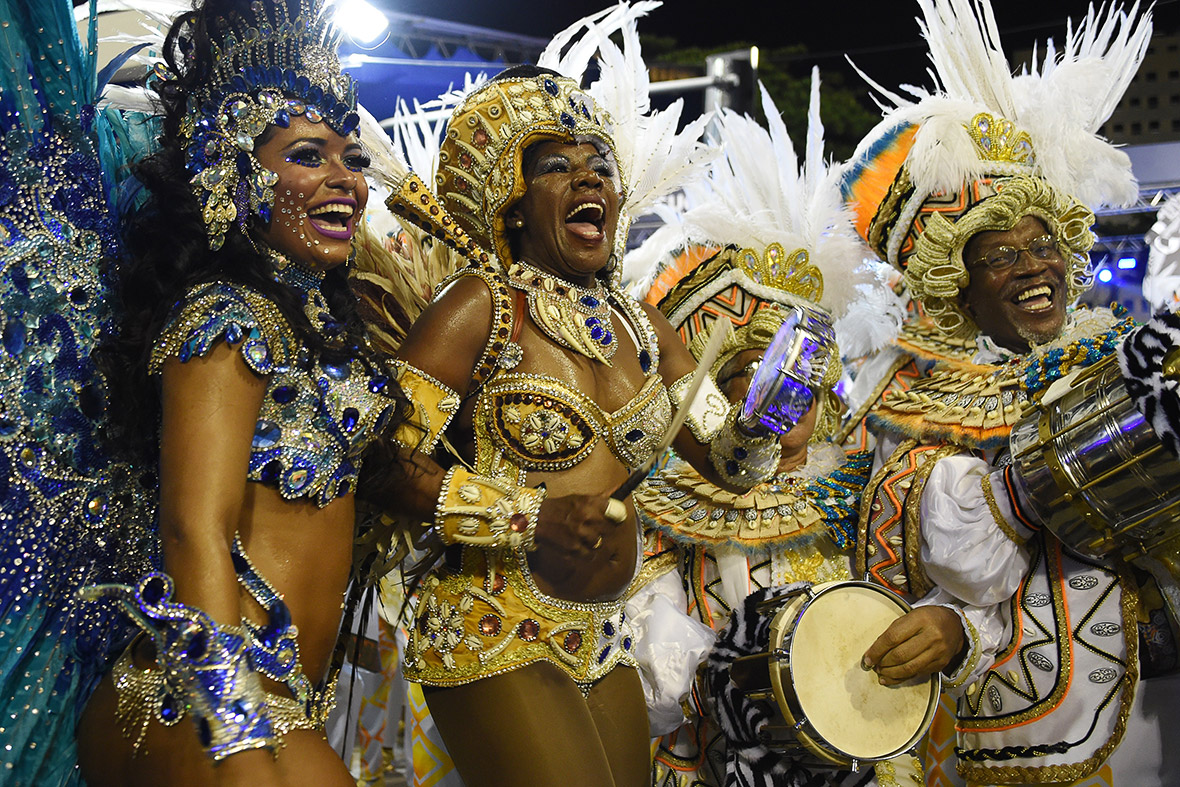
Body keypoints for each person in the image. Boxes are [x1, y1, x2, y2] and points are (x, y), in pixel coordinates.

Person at [357, 49, 792, 783]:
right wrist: (528, 516)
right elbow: (382, 463)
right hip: (491, 621)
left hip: (604, 632)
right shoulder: (480, 307)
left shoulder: (646, 328)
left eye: (599, 165)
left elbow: (730, 461)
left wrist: (769, 412)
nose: (590, 179)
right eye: (557, 166)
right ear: (513, 201)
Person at [67, 1, 409, 784]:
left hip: (282, 701)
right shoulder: (226, 318)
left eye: (353, 157)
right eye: (308, 155)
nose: (346, 180)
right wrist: (236, 732)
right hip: (198, 695)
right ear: (233, 169)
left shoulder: (321, 325)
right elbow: (194, 529)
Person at [840, 0, 1178, 782]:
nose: (1034, 266)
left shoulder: (1118, 357)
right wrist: (958, 623)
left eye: (1043, 243)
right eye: (1000, 255)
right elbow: (956, 571)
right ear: (956, 283)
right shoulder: (915, 406)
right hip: (1024, 733)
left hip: (1159, 712)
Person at [626, 74, 948, 787]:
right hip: (724, 755)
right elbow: (652, 647)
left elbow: (922, 593)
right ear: (719, 398)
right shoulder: (670, 503)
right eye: (756, 376)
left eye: (804, 377)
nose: (786, 395)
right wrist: (736, 678)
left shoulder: (866, 481)